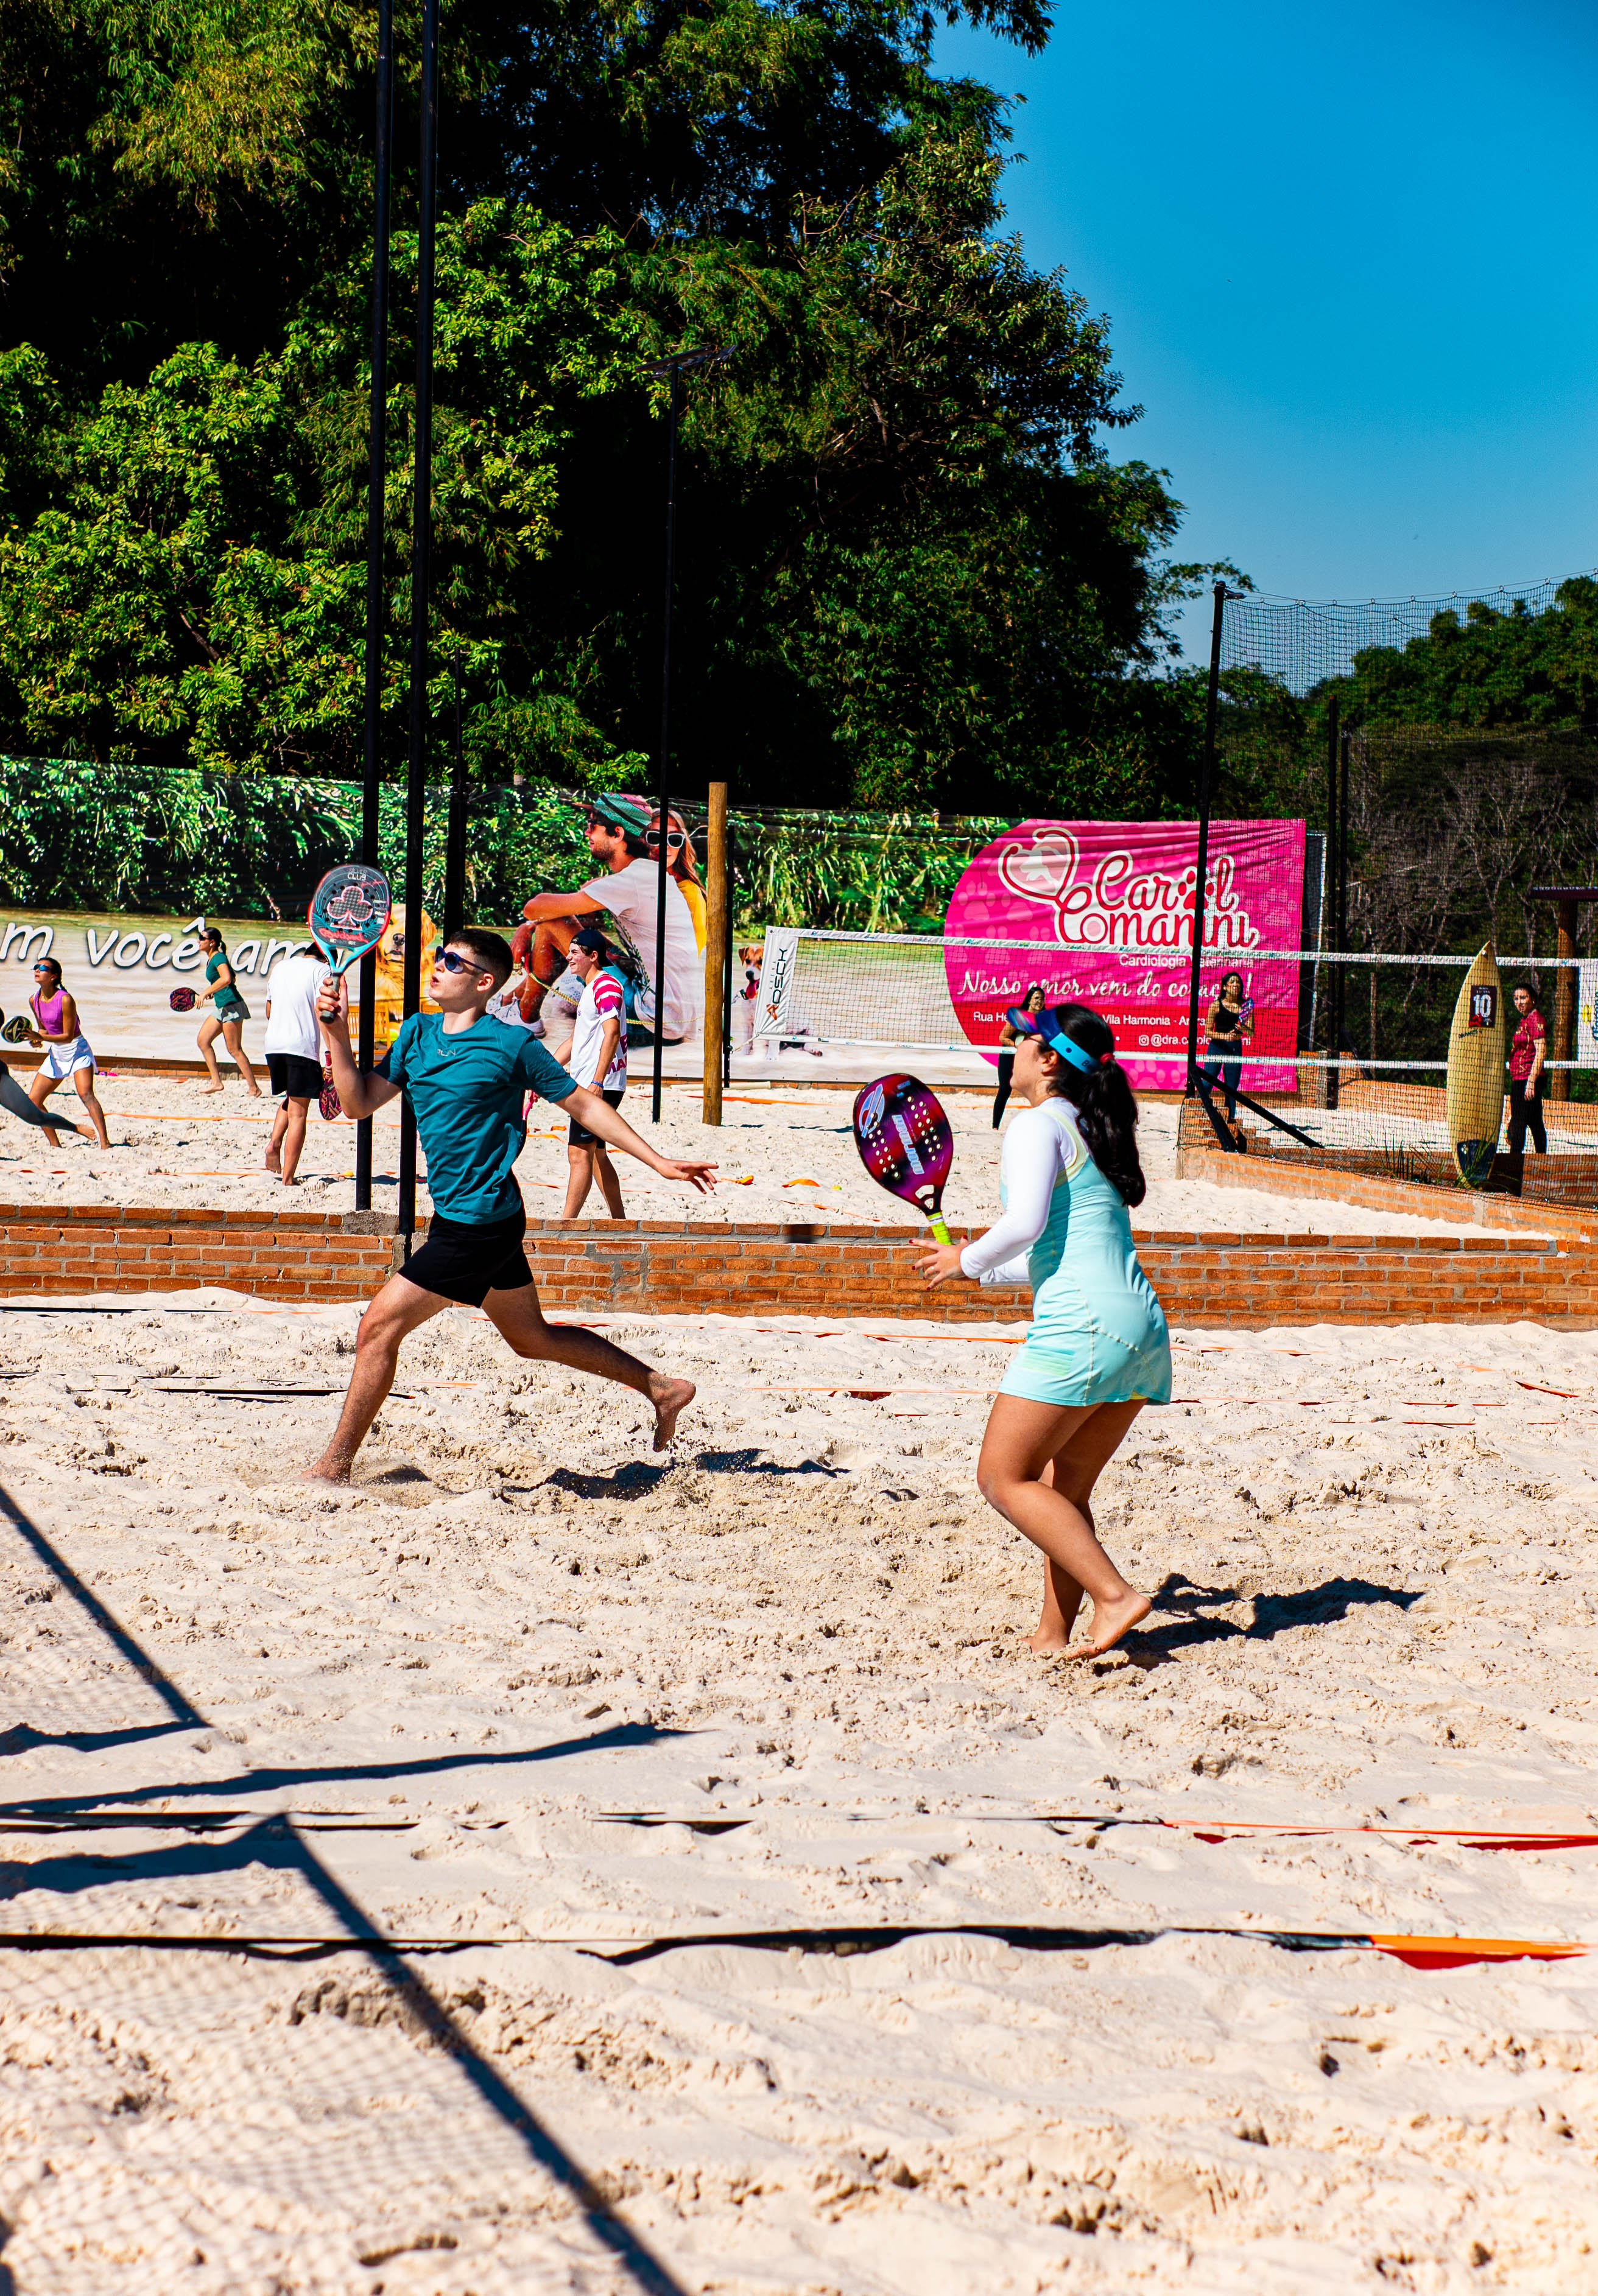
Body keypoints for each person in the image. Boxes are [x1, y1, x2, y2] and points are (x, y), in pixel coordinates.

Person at [304, 926, 717, 1484]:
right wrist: (336, 1033)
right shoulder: (416, 1034)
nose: (438, 965)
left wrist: (659, 1161)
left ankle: (333, 1467)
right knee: (532, 1339)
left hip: (479, 1224)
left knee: (377, 1328)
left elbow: (583, 1105)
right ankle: (662, 1388)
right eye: (440, 956)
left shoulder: (511, 1045)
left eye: (453, 962)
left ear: (484, 983)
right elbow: (357, 1103)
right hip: (466, 1215)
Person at [918, 1000, 1169, 1661]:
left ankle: (1115, 1595)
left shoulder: (1036, 1123)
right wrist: (973, 1269)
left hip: (1082, 1326)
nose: (1013, 1044)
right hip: (1139, 1327)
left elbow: (1023, 1224)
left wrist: (967, 1258)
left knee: (1002, 1479)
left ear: (1050, 1059)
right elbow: (1050, 1247)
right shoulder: (1091, 1127)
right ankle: (1052, 1634)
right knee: (1064, 1492)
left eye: (1024, 1037)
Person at [518, 793, 704, 1047]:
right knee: (575, 931)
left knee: (553, 925)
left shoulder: (634, 880)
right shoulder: (646, 874)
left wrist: (530, 925)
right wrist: (528, 927)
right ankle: (521, 1007)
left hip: (652, 1021)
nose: (587, 832)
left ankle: (526, 1017)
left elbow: (534, 907)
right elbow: (569, 905)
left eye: (593, 825)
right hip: (673, 1018)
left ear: (618, 834)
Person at [546, 925, 629, 1218]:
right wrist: (542, 1073)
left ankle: (565, 1227)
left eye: (574, 952)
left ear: (593, 956)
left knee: (579, 1153)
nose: (568, 957)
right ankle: (620, 1222)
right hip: (592, 1083)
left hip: (599, 1085)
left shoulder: (606, 985)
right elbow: (575, 1041)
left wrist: (597, 1081)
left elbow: (612, 1032)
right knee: (596, 1156)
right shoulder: (591, 988)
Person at [262, 941, 344, 1185]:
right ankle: (288, 1179)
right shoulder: (323, 971)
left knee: (293, 1098)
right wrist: (331, 1053)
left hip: (273, 1045)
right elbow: (324, 1013)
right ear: (328, 959)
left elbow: (269, 1011)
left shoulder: (281, 967)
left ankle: (274, 1144)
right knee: (299, 1114)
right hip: (301, 1047)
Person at [24, 957, 113, 1149]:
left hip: (77, 1050)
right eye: (36, 967)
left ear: (53, 976)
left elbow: (67, 1036)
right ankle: (55, 1145)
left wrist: (42, 1037)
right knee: (34, 1101)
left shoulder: (65, 999)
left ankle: (105, 1143)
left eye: (42, 968)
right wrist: (37, 1039)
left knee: (86, 1094)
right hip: (57, 1052)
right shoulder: (34, 1000)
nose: (37, 970)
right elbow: (43, 1030)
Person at [195, 926, 261, 1096]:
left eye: (202, 938)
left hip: (232, 1006)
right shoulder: (212, 958)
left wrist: (206, 992)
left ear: (212, 942)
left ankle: (254, 1088)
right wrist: (214, 991)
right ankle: (216, 1083)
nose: (198, 941)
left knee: (234, 1049)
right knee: (203, 1041)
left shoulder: (218, 957)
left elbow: (227, 979)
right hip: (222, 1006)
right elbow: (229, 980)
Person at [1199, 969, 1253, 1125]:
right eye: (1232, 982)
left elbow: (1252, 1033)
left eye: (1238, 983)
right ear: (1225, 987)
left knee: (1231, 1087)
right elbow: (1207, 1032)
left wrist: (1243, 1029)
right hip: (1217, 1047)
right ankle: (1199, 1111)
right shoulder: (1216, 1005)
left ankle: (1229, 1121)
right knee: (1207, 1082)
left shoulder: (1245, 1006)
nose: (1236, 985)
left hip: (1235, 1049)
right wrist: (1225, 1036)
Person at [993, 985, 1045, 1127]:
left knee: (1038, 1090)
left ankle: (1040, 1124)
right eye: (1036, 998)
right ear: (1029, 1000)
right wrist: (1018, 1046)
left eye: (1042, 999)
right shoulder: (1019, 1018)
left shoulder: (1043, 1020)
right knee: (1005, 1089)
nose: (1039, 1002)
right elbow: (1003, 1037)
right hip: (1010, 1055)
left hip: (1030, 1058)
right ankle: (995, 1126)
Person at [1508, 981, 1547, 1156]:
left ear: (1532, 999)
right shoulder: (1524, 1020)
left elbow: (1541, 1051)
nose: (1519, 1002)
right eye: (1516, 999)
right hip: (1519, 1078)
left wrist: (1531, 1082)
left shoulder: (1535, 1019)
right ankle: (1541, 1158)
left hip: (1527, 1078)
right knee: (1532, 1120)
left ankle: (1514, 1161)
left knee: (1521, 1123)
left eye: (1523, 998)